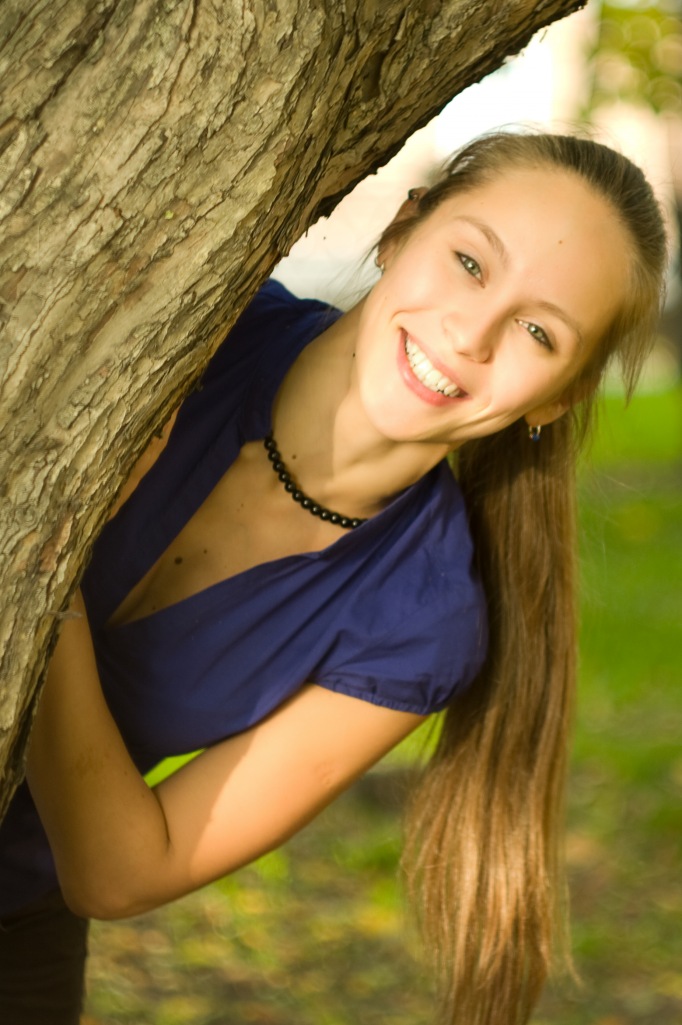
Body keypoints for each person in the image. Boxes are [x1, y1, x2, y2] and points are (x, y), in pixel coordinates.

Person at [0, 131, 668, 1025]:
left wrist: (49, 563)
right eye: (470, 263)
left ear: (556, 396)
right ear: (402, 229)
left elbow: (120, 870)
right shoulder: (191, 328)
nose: (469, 335)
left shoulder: (421, 623)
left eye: (539, 332)